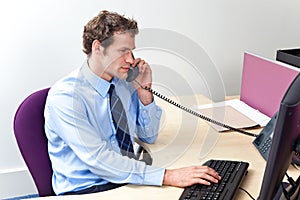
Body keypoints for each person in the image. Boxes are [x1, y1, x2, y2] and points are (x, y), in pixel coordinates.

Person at [44, 10, 221, 195]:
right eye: (122, 51)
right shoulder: (66, 98)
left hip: (126, 177)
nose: (130, 60)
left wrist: (144, 92)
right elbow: (99, 161)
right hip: (88, 189)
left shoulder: (123, 83)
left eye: (131, 51)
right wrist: (168, 176)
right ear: (98, 47)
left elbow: (149, 136)